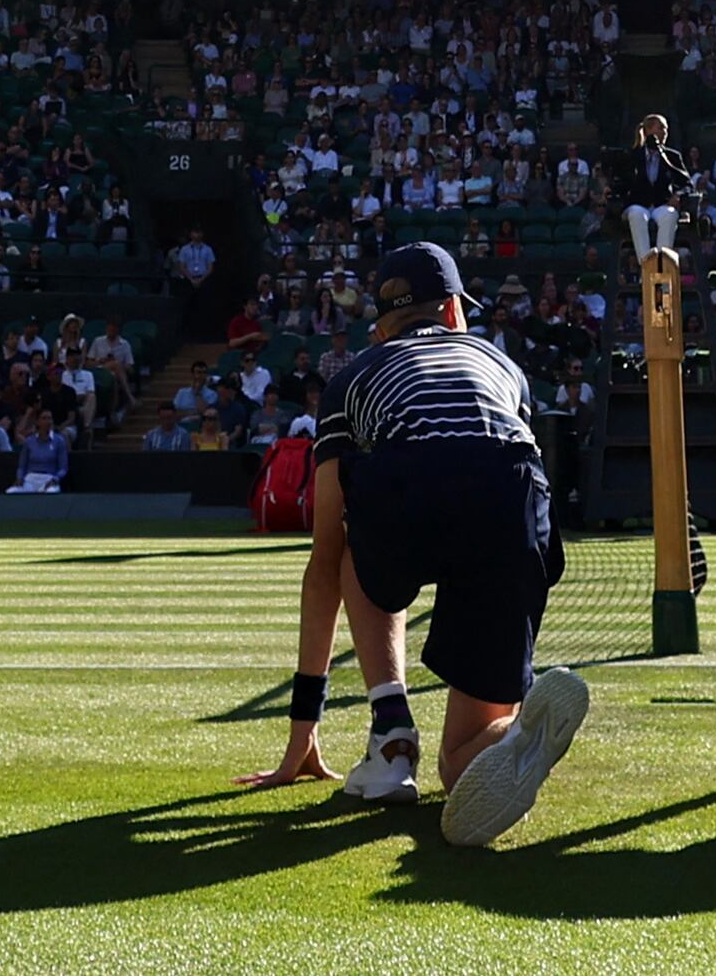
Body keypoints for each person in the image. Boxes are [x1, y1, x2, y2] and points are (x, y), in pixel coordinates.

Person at [235, 240, 588, 843]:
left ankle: (392, 739)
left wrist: (302, 728)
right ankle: (518, 731)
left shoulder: (354, 378)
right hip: (515, 495)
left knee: (345, 536)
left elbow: (324, 563)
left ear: (380, 328)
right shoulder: (501, 365)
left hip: (411, 483)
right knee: (462, 762)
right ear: (454, 312)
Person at [621, 114, 693, 264]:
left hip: (662, 204)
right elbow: (622, 182)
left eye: (666, 128)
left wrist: (678, 194)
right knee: (637, 214)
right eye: (661, 128)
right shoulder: (633, 155)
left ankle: (663, 265)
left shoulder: (672, 156)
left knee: (670, 215)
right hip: (638, 204)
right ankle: (646, 265)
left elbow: (687, 184)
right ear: (648, 131)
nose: (665, 132)